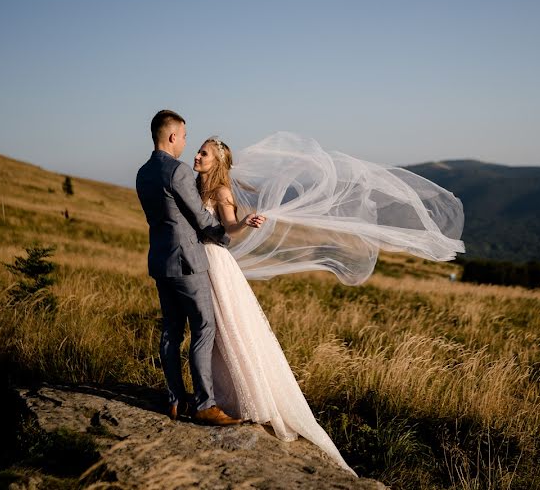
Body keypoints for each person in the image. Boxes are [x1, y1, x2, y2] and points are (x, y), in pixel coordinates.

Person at [190, 133, 464, 476]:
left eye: (204, 153)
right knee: (212, 330)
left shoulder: (220, 192)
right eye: (199, 151)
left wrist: (245, 222)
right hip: (199, 260)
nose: (197, 156)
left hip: (215, 261)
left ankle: (236, 400)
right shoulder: (194, 186)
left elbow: (229, 226)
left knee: (225, 327)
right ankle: (215, 397)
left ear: (217, 162)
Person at [135, 110, 264, 428]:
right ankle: (205, 404)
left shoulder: (142, 173)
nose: (187, 144)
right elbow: (202, 219)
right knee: (204, 328)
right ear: (172, 136)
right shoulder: (177, 172)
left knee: (171, 331)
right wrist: (223, 239)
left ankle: (176, 398)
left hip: (161, 261)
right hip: (189, 262)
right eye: (185, 136)